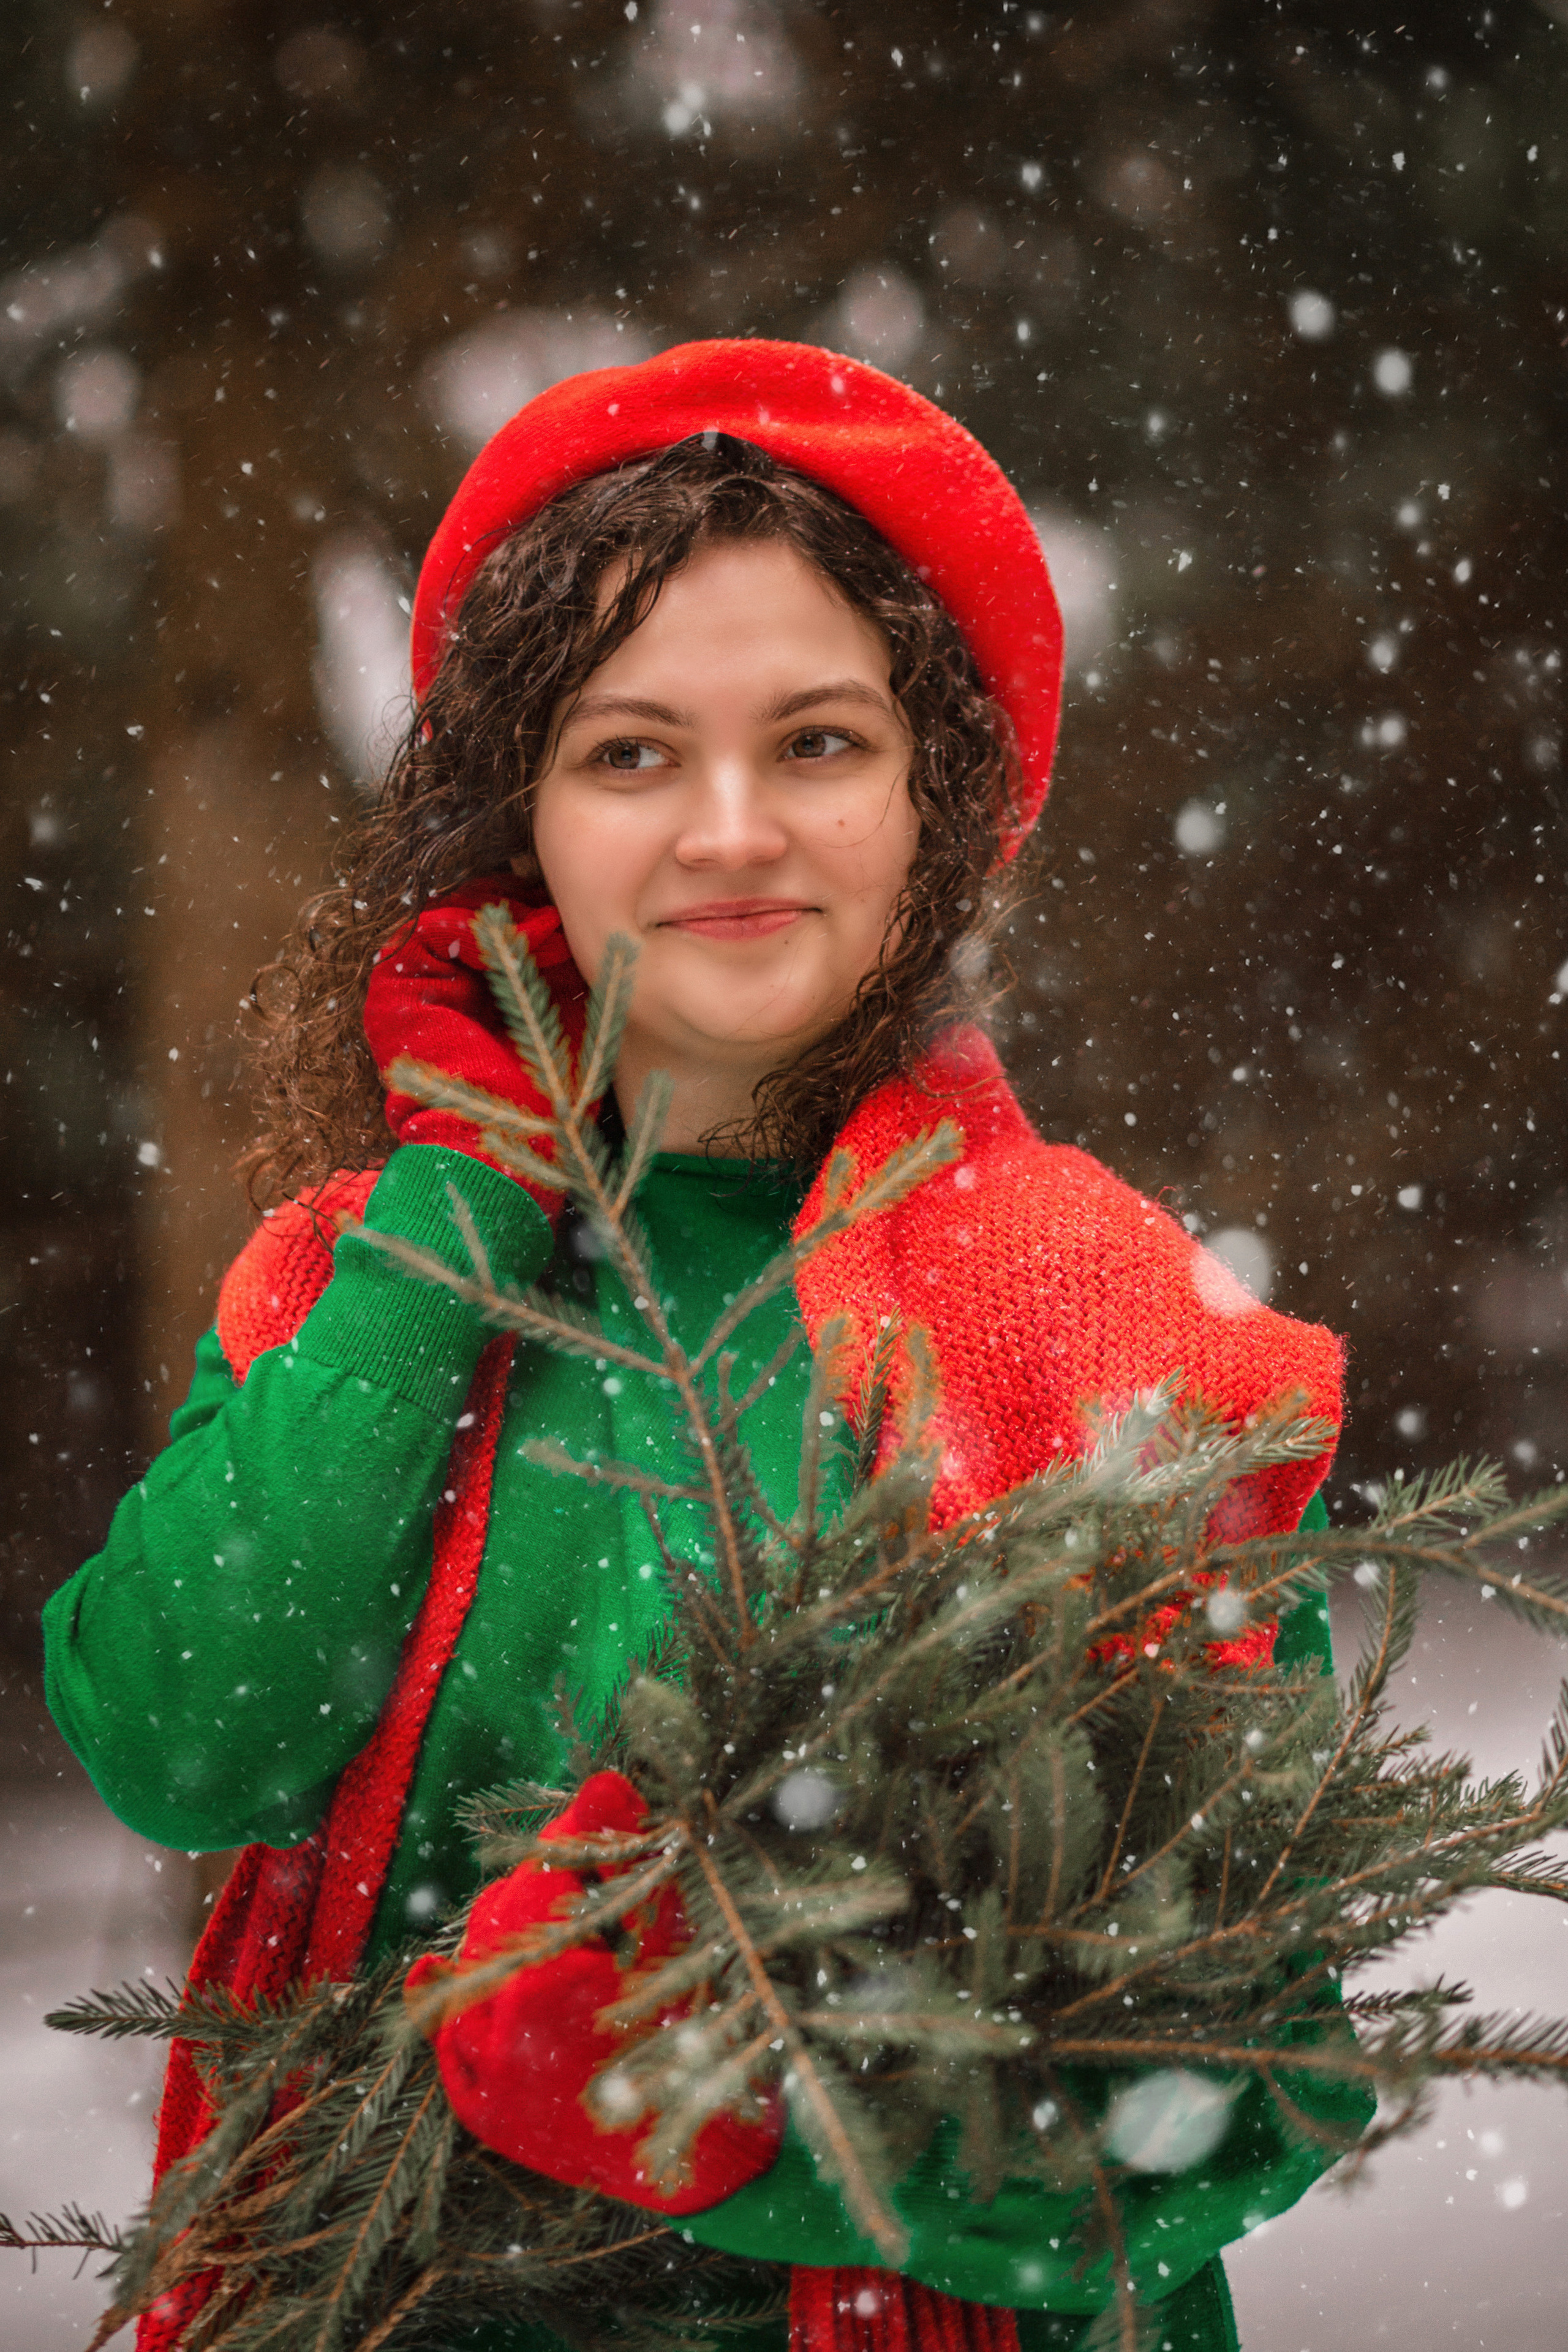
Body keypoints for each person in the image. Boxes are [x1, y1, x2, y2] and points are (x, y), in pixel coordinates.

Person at [43, 341, 1363, 2352]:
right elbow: (183, 1733)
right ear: (522, 820)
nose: (730, 827)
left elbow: (1216, 2069)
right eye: (632, 752)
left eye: (819, 743)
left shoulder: (1090, 1305)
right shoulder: (346, 1271)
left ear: (943, 797)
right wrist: (459, 1212)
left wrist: (742, 2116)